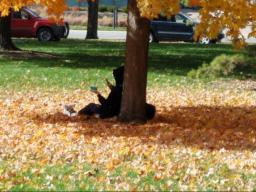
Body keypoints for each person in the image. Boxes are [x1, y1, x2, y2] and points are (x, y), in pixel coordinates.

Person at [78, 66, 156, 120]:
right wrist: (112, 87)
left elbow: (106, 104)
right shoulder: (125, 91)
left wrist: (98, 94)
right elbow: (117, 96)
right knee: (94, 107)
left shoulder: (116, 91)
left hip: (106, 113)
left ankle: (76, 114)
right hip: (114, 111)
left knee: (91, 106)